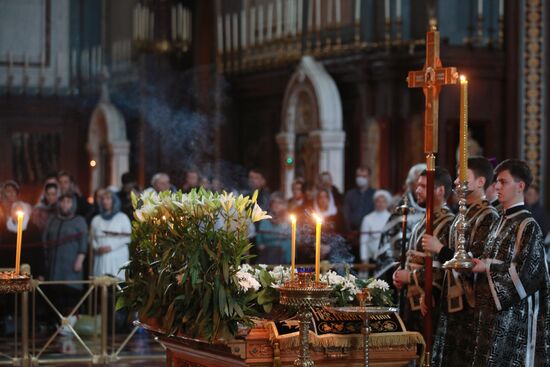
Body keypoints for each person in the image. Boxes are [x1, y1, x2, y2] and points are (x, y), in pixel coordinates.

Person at [421, 157, 499, 367]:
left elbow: (474, 261)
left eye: (463, 177)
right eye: (456, 177)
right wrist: (433, 290)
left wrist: (439, 249)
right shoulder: (461, 216)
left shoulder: (488, 216)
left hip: (471, 303)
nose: (456, 182)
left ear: (481, 182)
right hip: (451, 299)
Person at [470, 159, 549, 366]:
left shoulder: (528, 225)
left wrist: (487, 267)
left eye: (503, 182)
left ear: (520, 186)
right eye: (496, 181)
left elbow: (529, 274)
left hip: (513, 316)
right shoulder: (499, 221)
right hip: (488, 312)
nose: (496, 186)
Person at [392, 167, 455, 334]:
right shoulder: (424, 221)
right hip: (410, 299)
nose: (417, 190)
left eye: (423, 186)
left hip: (429, 301)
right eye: (417, 185)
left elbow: (445, 268)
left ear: (440, 190)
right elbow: (412, 256)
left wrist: (410, 276)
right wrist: (400, 271)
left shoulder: (449, 222)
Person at [43, 193, 88, 325]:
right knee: (55, 298)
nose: (65, 205)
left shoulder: (79, 220)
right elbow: (45, 240)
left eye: (68, 202)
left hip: (71, 267)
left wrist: (80, 259)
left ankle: (70, 327)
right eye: (63, 202)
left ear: (73, 204)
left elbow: (83, 242)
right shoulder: (52, 220)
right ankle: (55, 325)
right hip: (54, 268)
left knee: (71, 299)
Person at [376, 163, 427, 279]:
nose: (420, 189)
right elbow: (393, 242)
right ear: (410, 184)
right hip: (403, 269)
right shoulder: (401, 210)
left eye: (424, 185)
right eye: (418, 184)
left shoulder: (439, 209)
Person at [90, 190, 131, 280]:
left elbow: (127, 238)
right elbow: (92, 238)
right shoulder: (96, 219)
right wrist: (97, 248)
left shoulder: (122, 217)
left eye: (108, 198)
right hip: (101, 259)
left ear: (114, 200)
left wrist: (111, 247)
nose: (105, 201)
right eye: (103, 199)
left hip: (117, 259)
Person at [255, 192, 291, 264]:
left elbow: (292, 240)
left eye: (280, 203)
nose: (276, 205)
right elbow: (259, 238)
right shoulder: (265, 220)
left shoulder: (290, 221)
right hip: (266, 255)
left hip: (284, 256)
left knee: (275, 252)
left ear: (285, 206)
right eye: (274, 202)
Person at [359, 190, 392, 264]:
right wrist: (364, 258)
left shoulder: (392, 218)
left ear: (387, 203)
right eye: (378, 201)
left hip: (388, 258)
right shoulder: (367, 218)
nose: (380, 204)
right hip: (372, 258)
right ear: (374, 202)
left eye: (383, 201)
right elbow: (363, 241)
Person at [343, 166, 376, 232]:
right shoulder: (350, 194)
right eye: (358, 176)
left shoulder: (375, 194)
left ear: (369, 177)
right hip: (352, 232)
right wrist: (349, 230)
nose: (360, 178)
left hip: (369, 231)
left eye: (364, 176)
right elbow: (345, 214)